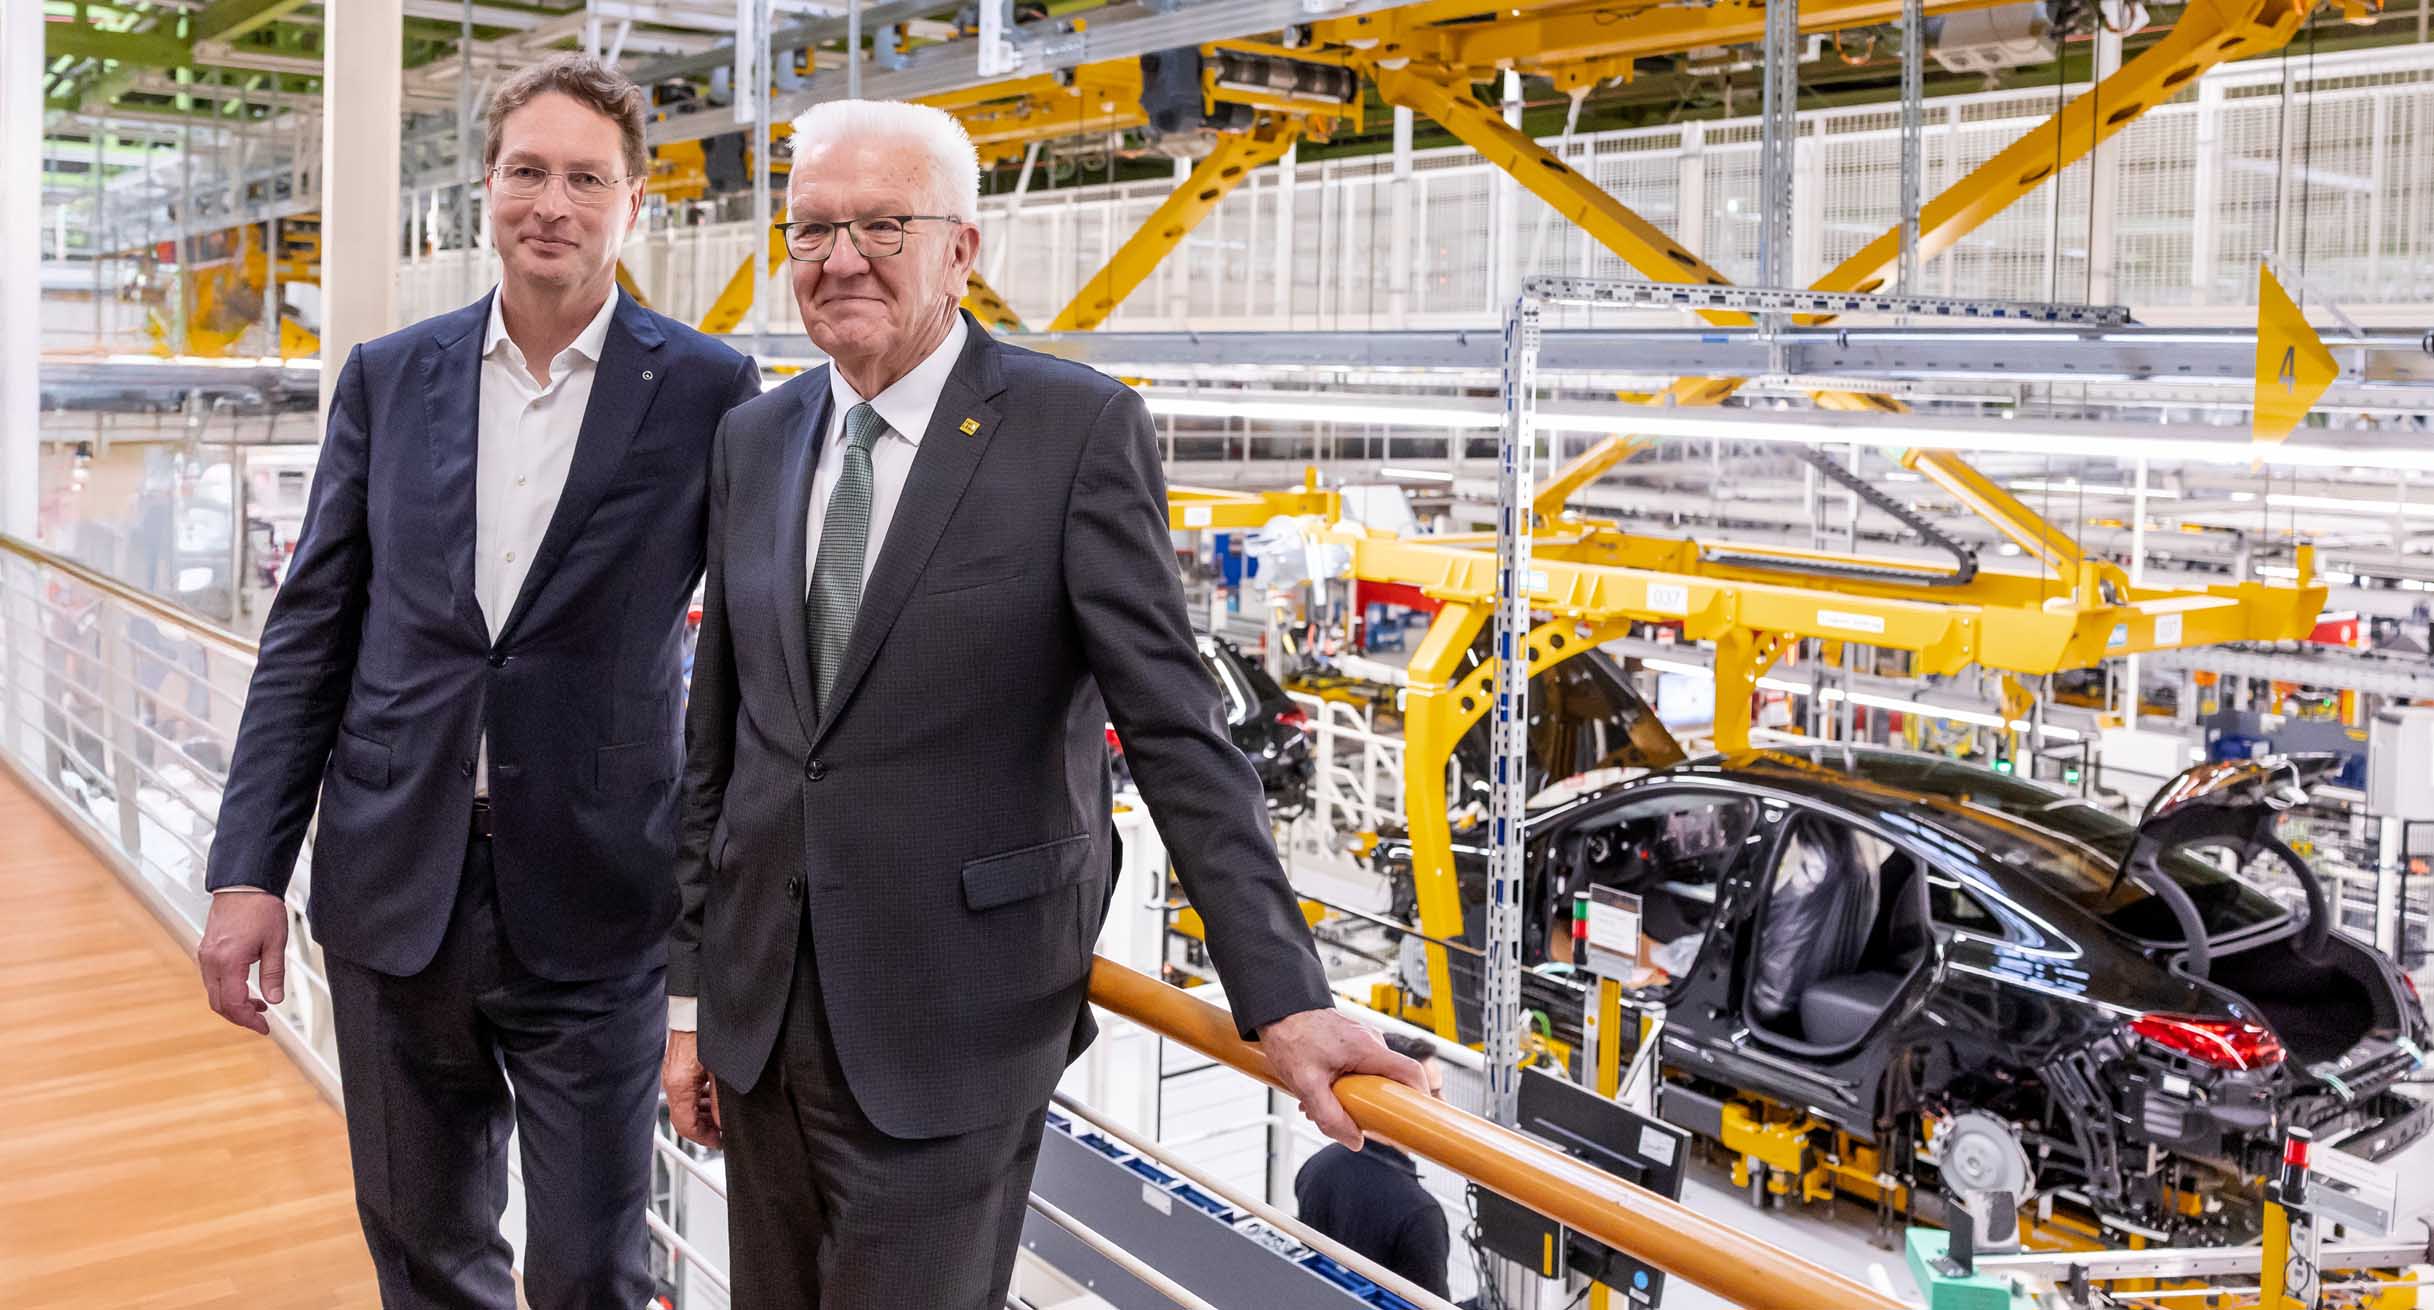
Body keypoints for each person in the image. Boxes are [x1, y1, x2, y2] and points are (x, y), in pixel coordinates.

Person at [660, 97, 1427, 1308]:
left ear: (963, 249)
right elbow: (722, 744)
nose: (839, 257)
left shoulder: (1072, 431)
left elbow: (1179, 733)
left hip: (954, 1021)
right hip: (761, 1019)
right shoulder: (755, 438)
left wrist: (1281, 995)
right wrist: (693, 999)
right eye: (810, 229)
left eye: (881, 224)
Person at [193, 53, 761, 1310]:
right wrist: (248, 872)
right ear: (484, 190)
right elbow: (312, 636)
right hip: (396, 889)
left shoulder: (710, 390)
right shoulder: (392, 376)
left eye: (583, 178)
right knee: (422, 1248)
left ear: (633, 204)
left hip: (601, 899)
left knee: (589, 1268)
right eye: (525, 171)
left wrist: (708, 950)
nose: (550, 202)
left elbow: (741, 671)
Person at [1294, 1033, 1454, 1300]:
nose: (1444, 1105)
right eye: (1433, 1093)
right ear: (1395, 1099)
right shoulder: (1420, 1214)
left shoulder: (1317, 1168)